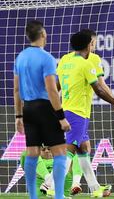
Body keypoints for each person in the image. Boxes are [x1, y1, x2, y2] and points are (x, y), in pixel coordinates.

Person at [55, 31, 114, 197]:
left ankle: (95, 189)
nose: (94, 46)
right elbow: (99, 89)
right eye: (93, 43)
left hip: (68, 108)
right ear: (89, 45)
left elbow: (57, 85)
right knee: (69, 151)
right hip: (78, 112)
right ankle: (53, 187)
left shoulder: (65, 60)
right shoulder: (86, 64)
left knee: (83, 148)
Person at [13, 20, 71, 199]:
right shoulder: (46, 58)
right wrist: (61, 116)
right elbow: (52, 90)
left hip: (28, 108)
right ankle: (59, 196)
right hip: (46, 108)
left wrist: (18, 115)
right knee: (61, 152)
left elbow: (16, 89)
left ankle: (33, 197)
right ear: (43, 34)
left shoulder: (20, 57)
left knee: (32, 153)